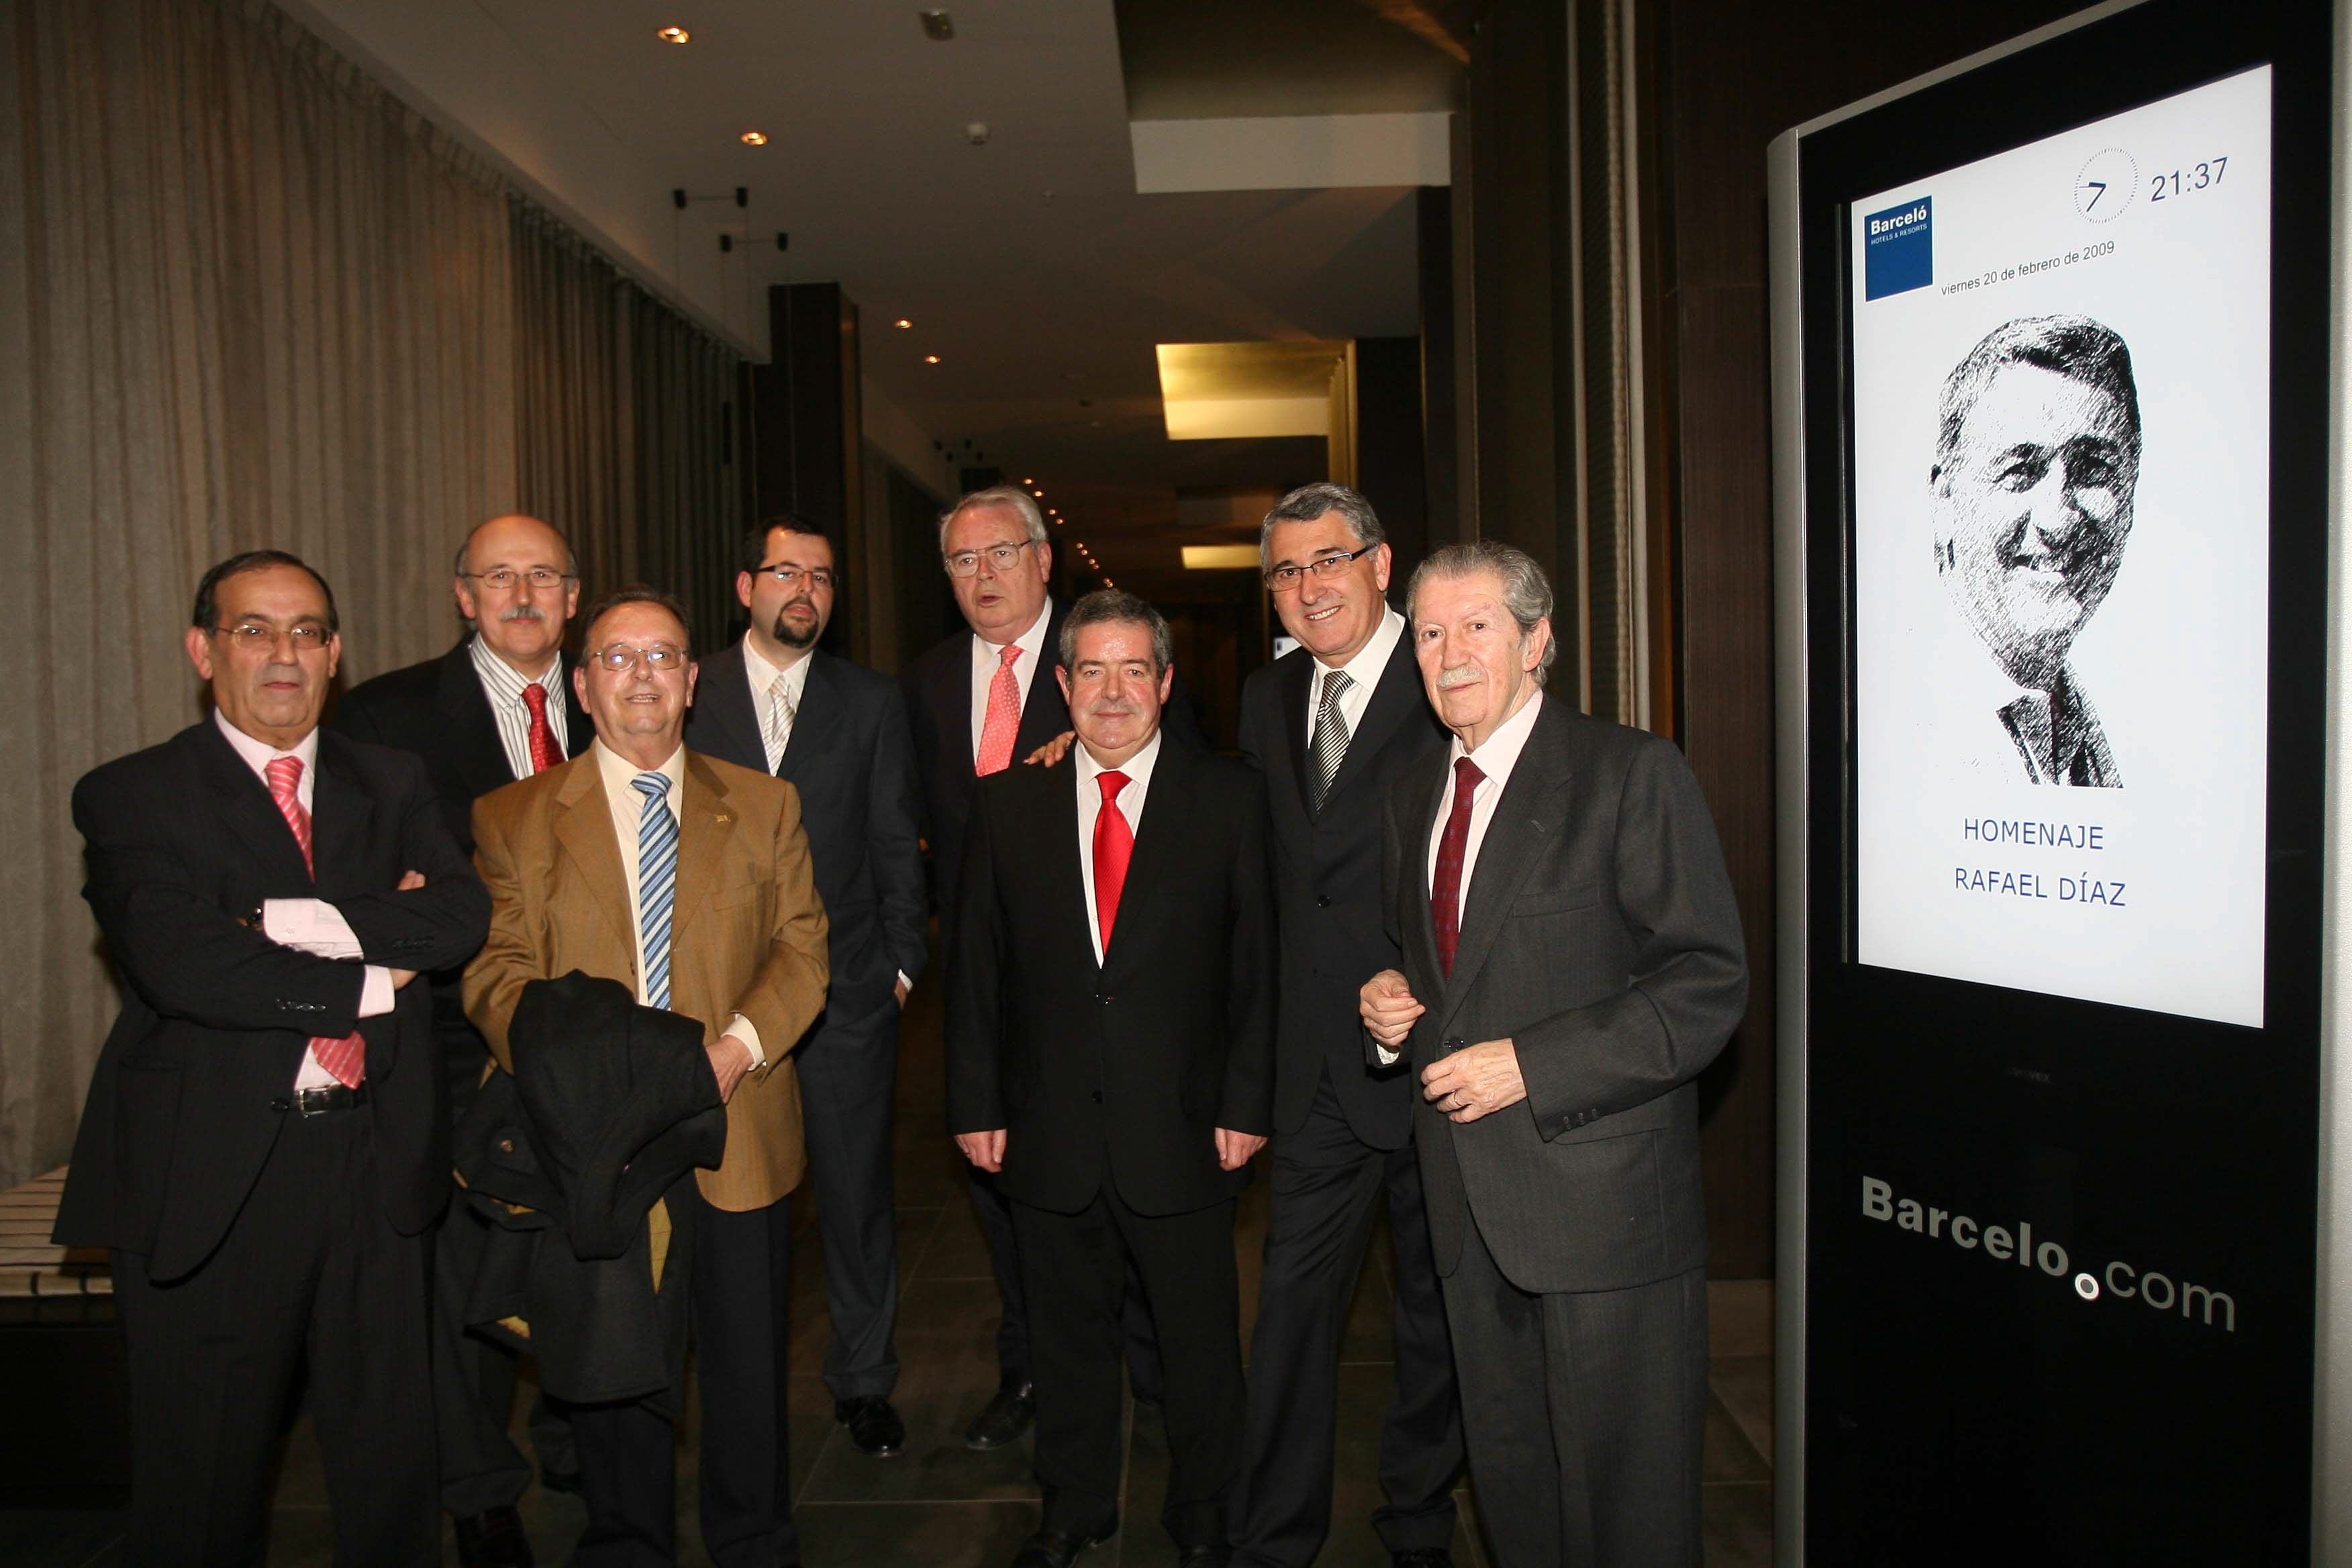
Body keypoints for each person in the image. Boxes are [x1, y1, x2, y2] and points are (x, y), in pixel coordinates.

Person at [54, 550, 489, 1565]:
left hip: (378, 1167)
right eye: (255, 630)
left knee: (390, 1473)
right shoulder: (131, 794)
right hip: (215, 1179)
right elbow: (186, 965)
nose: (283, 653)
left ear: (336, 655)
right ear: (204, 651)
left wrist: (268, 922)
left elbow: (461, 918)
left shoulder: (394, 780)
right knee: (200, 1488)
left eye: (306, 632)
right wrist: (378, 964)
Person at [1359, 542, 1747, 1567]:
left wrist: (1530, 1063)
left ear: (1539, 643)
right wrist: (1393, 1000)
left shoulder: (1628, 773)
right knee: (1516, 1491)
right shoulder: (1413, 792)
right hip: (1464, 1207)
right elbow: (1445, 968)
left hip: (1602, 1207)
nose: (1449, 653)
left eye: (1476, 626)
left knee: (1628, 1511)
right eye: (1431, 631)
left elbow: (1708, 984)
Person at [464, 587, 831, 1567]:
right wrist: (588, 1084)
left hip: (738, 1123)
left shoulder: (763, 805)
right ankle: (627, 1547)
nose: (641, 676)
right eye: (616, 658)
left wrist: (733, 1052)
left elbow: (803, 952)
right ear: (583, 684)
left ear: (692, 680)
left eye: (661, 656)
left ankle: (754, 1544)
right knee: (616, 1372)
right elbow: (495, 974)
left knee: (749, 1373)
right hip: (594, 1147)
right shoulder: (514, 818)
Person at [946, 589, 1273, 1568]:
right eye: (1093, 670)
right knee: (1066, 1339)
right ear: (1062, 686)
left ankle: (1207, 1512)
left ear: (1167, 684)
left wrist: (1248, 1104)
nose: (1115, 691)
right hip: (1048, 1129)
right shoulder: (1008, 805)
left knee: (1200, 1344)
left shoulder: (1228, 800)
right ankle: (1075, 1505)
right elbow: (977, 971)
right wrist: (975, 1104)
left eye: (1137, 669)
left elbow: (1259, 966)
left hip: (1185, 1125)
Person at [901, 485, 1199, 1446]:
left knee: (1140, 1205)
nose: (982, 575)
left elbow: (1181, 803)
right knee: (1010, 1203)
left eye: (1001, 554)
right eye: (961, 560)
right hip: (996, 994)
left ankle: (1155, 1376)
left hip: (1114, 995)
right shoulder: (926, 683)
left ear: (1043, 561)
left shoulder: (1110, 662)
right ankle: (1033, 1373)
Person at [333, 512, 591, 1565]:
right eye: (499, 577)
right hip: (447, 1036)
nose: (522, 594)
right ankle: (481, 1488)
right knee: (461, 1274)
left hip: (598, 1033)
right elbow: (353, 876)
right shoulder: (385, 717)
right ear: (463, 596)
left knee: (594, 1246)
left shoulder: (625, 688)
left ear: (574, 597)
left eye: (543, 576)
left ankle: (582, 1428)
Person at [1229, 483, 1463, 1568]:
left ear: (1379, 566)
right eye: (1284, 570)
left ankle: (1415, 1518)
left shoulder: (1444, 686)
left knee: (1436, 1315)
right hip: (1317, 1069)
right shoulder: (1262, 699)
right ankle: (1275, 1538)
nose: (1306, 586)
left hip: (1435, 1063)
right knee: (1287, 1315)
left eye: (1326, 561)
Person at [685, 514, 928, 1458]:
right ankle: (726, 1386)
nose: (806, 591)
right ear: (745, 586)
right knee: (730, 1205)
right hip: (714, 1004)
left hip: (845, 999)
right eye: (786, 572)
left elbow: (893, 840)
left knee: (858, 1197)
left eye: (823, 577)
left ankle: (864, 1379)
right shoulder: (688, 689)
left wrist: (902, 970)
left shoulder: (871, 702)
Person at [1930, 313, 2141, 787]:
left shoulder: (2090, 730)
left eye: (2093, 469)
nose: (2058, 518)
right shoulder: (1894, 728)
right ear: (1945, 503)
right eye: (2021, 471)